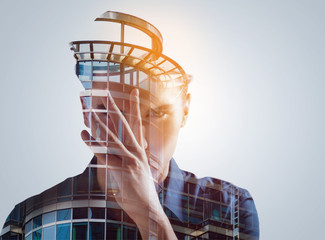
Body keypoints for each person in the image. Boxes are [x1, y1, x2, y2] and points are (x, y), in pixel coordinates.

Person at [1, 11, 259, 240]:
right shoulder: (28, 222)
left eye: (155, 113)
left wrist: (151, 217)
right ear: (87, 113)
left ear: (186, 110)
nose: (138, 142)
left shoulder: (228, 210)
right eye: (111, 111)